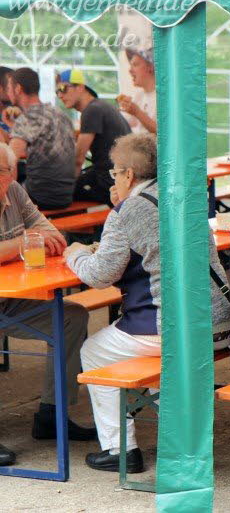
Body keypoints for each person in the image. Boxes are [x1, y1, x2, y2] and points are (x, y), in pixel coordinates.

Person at [66, 133, 230, 473]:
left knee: (93, 351)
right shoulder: (182, 196)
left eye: (115, 173)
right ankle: (169, 421)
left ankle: (119, 449)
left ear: (128, 175)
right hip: (221, 322)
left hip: (177, 330)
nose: (113, 179)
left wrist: (75, 252)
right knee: (133, 349)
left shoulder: (128, 211)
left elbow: (98, 275)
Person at [0, 142, 94, 467]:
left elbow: (48, 231)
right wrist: (23, 242)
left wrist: (26, 241)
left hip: (12, 300)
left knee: (72, 317)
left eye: (0, 171)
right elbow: (32, 239)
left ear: (12, 172)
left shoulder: (15, 192)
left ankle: (52, 415)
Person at [57, 69, 132, 206]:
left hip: (111, 180)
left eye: (63, 88)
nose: (60, 95)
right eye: (57, 92)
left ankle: (82, 227)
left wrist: (66, 187)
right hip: (122, 176)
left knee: (58, 193)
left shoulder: (91, 111)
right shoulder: (101, 106)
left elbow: (78, 159)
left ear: (80, 87)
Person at [4, 68, 75, 210]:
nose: (7, 92)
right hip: (66, 195)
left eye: (8, 87)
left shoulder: (28, 117)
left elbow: (9, 162)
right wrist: (12, 126)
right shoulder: (59, 113)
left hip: (40, 195)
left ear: (18, 88)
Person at [118, 47, 157, 134]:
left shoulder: (163, 97)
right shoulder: (139, 95)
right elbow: (131, 122)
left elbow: (163, 133)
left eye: (135, 65)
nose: (130, 70)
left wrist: (137, 112)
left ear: (150, 67)